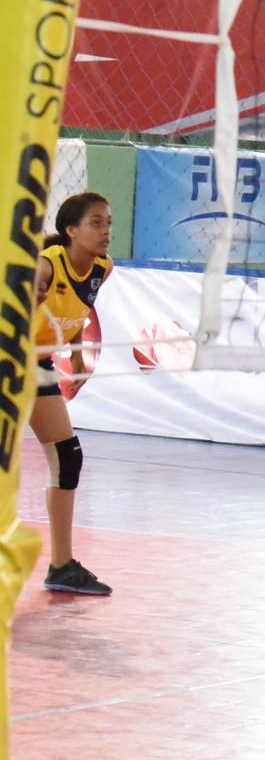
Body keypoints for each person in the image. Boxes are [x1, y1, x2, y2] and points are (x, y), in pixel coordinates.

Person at [29, 193, 116, 596]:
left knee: (66, 456)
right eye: (95, 223)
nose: (105, 231)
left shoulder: (101, 269)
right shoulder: (46, 267)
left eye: (108, 223)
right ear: (71, 231)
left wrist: (79, 360)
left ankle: (61, 566)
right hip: (7, 359)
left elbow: (80, 307)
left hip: (38, 364)